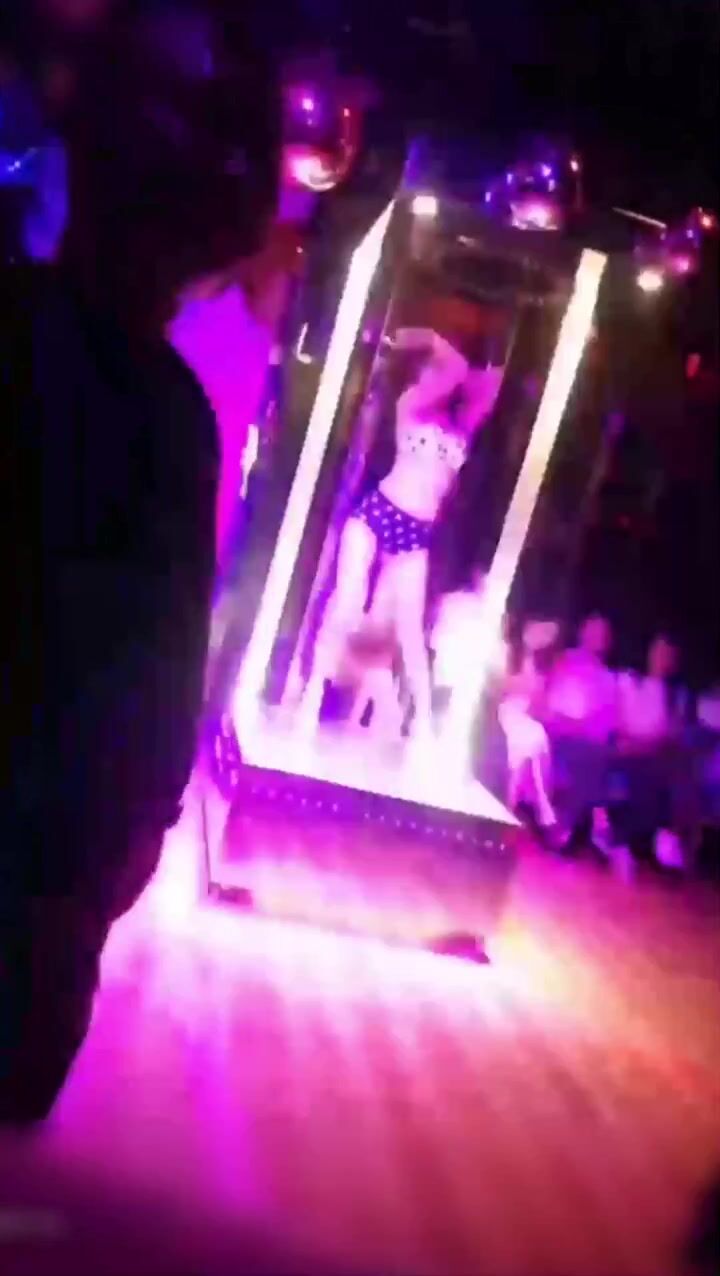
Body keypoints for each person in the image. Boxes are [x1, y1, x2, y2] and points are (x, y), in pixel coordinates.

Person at [1, 5, 280, 1126]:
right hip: (50, 861)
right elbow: (162, 660)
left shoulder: (32, 334)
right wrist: (135, 829)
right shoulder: (172, 416)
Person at [297, 328, 504, 741]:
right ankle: (311, 692)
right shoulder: (410, 405)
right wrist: (427, 339)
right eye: (428, 372)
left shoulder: (462, 426)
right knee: (347, 601)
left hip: (415, 531)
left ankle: (422, 722)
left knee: (410, 628)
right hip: (378, 513)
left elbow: (493, 382)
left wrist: (461, 360)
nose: (433, 379)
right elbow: (455, 369)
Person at [613, 635, 693, 869]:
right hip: (630, 749)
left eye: (668, 655)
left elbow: (672, 732)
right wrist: (636, 741)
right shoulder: (632, 682)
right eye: (659, 652)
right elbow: (625, 722)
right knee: (640, 768)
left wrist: (654, 741)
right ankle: (628, 843)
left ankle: (664, 841)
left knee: (672, 769)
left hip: (657, 753)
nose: (662, 659)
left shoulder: (676, 696)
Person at [545, 613, 618, 850]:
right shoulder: (565, 661)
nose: (596, 637)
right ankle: (598, 816)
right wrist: (572, 723)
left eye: (601, 633)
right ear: (582, 632)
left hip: (587, 741)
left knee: (592, 754)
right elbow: (552, 704)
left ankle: (565, 827)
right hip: (559, 732)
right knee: (587, 755)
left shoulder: (606, 678)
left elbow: (604, 723)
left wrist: (586, 726)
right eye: (592, 631)